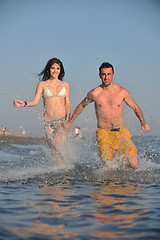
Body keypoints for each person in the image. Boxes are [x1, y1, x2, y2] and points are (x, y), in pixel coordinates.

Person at [66, 62, 150, 169]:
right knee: (109, 169)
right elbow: (81, 106)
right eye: (104, 74)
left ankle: (124, 181)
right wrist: (70, 122)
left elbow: (135, 108)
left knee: (134, 164)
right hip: (103, 134)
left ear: (113, 74)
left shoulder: (122, 92)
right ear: (100, 75)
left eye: (108, 74)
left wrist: (143, 123)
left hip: (121, 133)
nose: (106, 77)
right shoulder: (94, 93)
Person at [14, 58, 71, 165]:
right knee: (54, 150)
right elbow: (35, 101)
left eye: (58, 68)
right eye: (53, 68)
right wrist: (24, 103)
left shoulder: (65, 85)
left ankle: (62, 170)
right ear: (49, 69)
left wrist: (68, 119)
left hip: (61, 120)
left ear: (60, 70)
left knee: (57, 145)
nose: (55, 71)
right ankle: (61, 168)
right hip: (48, 123)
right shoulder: (42, 84)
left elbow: (67, 103)